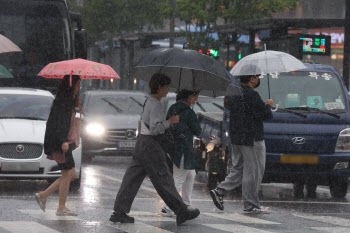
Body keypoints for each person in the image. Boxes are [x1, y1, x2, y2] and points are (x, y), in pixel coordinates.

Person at [110, 73, 200, 225]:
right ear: (159, 87)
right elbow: (155, 129)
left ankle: (119, 211)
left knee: (132, 178)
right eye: (166, 87)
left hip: (142, 143)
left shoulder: (148, 101)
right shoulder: (157, 104)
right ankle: (181, 210)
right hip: (151, 145)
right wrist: (169, 122)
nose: (167, 90)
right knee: (163, 178)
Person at [210, 70, 273, 214]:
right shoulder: (252, 95)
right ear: (252, 79)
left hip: (236, 137)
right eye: (257, 77)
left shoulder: (233, 93)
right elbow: (265, 115)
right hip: (252, 138)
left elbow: (234, 108)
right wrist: (268, 105)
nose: (258, 80)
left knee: (239, 169)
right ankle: (250, 205)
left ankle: (220, 190)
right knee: (253, 172)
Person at [34, 75, 81, 216]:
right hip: (62, 143)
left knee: (70, 174)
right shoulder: (64, 101)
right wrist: (63, 141)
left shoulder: (67, 100)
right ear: (71, 85)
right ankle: (60, 207)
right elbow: (60, 122)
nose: (79, 87)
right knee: (68, 174)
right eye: (78, 84)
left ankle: (43, 195)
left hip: (64, 142)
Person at [161, 90, 202, 216]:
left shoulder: (172, 108)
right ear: (190, 97)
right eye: (195, 97)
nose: (196, 100)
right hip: (184, 149)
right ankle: (167, 207)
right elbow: (198, 130)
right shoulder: (189, 112)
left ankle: (186, 203)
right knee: (179, 177)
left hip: (174, 148)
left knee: (190, 175)